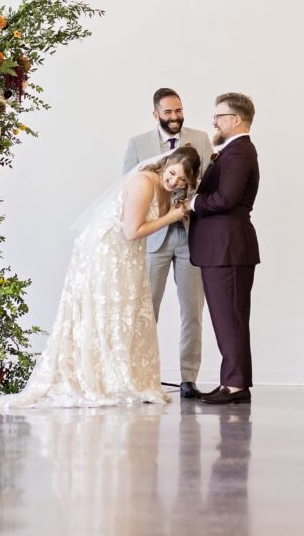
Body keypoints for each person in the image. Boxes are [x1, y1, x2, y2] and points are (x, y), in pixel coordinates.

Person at [0, 146, 200, 409]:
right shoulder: (144, 183)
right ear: (166, 162)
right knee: (105, 309)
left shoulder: (165, 188)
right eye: (172, 173)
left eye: (182, 180)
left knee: (123, 312)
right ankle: (99, 379)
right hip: (107, 251)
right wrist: (171, 216)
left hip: (126, 254)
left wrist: (173, 208)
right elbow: (132, 231)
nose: (174, 182)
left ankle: (119, 374)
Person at [123, 88, 213, 399]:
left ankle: (188, 378)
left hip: (191, 236)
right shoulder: (137, 145)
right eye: (168, 112)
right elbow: (129, 190)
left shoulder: (201, 139)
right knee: (146, 311)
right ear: (155, 114)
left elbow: (211, 183)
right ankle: (141, 375)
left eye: (178, 111)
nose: (175, 117)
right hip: (154, 238)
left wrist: (190, 201)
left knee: (192, 311)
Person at [188, 93, 260, 405]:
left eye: (219, 115)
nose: (214, 121)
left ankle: (235, 385)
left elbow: (226, 199)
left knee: (229, 316)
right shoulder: (231, 150)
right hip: (223, 247)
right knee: (228, 316)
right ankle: (232, 381)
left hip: (228, 248)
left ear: (236, 120)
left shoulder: (240, 152)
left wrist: (192, 202)